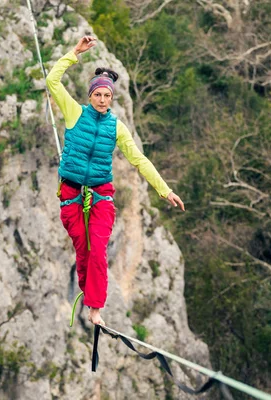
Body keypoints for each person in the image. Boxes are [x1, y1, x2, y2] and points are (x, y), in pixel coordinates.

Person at [46, 36, 185, 327]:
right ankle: (89, 294)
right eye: (98, 95)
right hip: (71, 194)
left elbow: (139, 160)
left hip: (100, 196)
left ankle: (95, 307)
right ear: (91, 95)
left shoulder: (116, 127)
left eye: (107, 96)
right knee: (83, 251)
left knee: (97, 250)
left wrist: (164, 190)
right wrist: (74, 53)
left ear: (111, 98)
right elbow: (52, 81)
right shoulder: (74, 113)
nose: (102, 100)